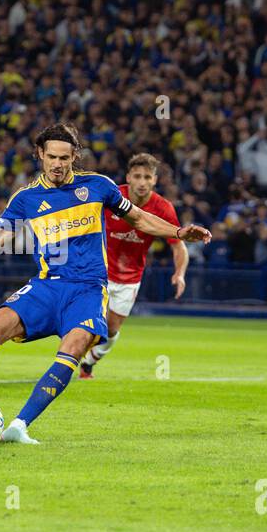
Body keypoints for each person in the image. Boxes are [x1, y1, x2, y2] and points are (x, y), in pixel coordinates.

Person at [0, 123, 210, 444]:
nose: (58, 164)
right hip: (47, 286)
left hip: (89, 289)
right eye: (51, 156)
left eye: (65, 158)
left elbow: (138, 217)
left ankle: (20, 425)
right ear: (40, 154)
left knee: (75, 347)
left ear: (74, 156)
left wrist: (177, 232)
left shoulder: (97, 186)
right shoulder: (25, 198)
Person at [79, 152, 187, 378]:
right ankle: (68, 358)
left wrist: (180, 273)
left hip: (130, 277)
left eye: (147, 177)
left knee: (111, 329)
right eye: (137, 176)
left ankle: (88, 362)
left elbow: (178, 246)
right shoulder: (113, 195)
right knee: (87, 321)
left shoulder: (163, 208)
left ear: (155, 180)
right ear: (129, 177)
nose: (142, 182)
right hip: (98, 270)